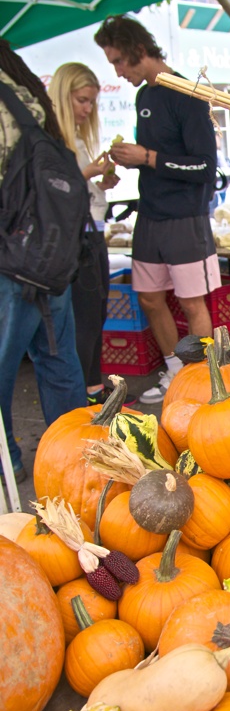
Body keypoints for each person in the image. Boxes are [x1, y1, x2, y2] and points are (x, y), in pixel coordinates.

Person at [94, 15, 219, 403]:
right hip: (149, 215)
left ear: (139, 51)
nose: (116, 70)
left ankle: (205, 381)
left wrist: (147, 156)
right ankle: (177, 372)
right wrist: (126, 162)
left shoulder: (187, 92)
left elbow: (204, 167)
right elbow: (156, 157)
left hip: (186, 219)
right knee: (148, 297)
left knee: (191, 303)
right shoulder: (143, 96)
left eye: (118, 61)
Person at [0, 40, 86, 484]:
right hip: (49, 260)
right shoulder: (26, 94)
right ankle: (76, 459)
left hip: (10, 262)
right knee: (58, 362)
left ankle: (8, 464)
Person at [49, 63, 120, 405]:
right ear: (63, 97)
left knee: (97, 313)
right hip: (75, 241)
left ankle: (92, 385)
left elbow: (81, 190)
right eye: (82, 101)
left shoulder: (76, 137)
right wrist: (87, 173)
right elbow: (57, 193)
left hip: (95, 234)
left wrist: (100, 183)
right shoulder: (53, 142)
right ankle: (82, 392)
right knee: (84, 319)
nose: (87, 109)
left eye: (91, 102)